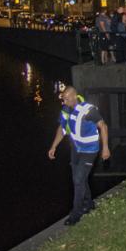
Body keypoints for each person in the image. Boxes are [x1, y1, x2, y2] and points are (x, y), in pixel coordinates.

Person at [47, 87, 110, 225]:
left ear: (75, 96)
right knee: (80, 179)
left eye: (66, 99)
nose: (64, 102)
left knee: (78, 180)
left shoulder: (88, 110)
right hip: (76, 149)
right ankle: (89, 204)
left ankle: (76, 213)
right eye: (63, 99)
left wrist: (105, 147)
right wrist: (54, 146)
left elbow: (103, 126)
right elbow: (62, 129)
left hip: (89, 150)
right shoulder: (66, 110)